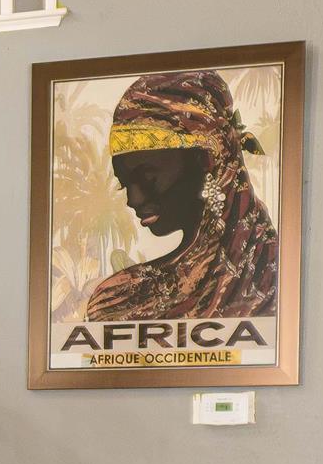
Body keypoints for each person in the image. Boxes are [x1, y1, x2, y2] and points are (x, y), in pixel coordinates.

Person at [84, 68, 278, 324]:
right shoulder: (115, 298)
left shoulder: (272, 273)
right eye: (124, 184)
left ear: (207, 160)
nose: (134, 200)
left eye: (148, 178)